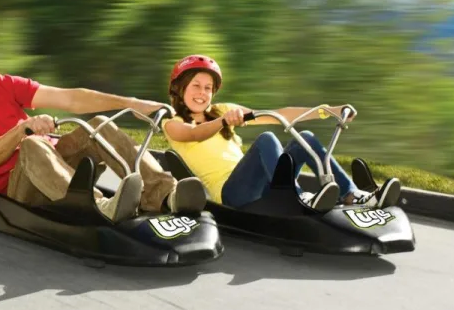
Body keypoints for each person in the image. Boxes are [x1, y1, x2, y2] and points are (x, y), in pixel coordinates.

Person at [0, 26, 208, 222]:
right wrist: (23, 129)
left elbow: (71, 99)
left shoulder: (0, 85)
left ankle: (165, 194)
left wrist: (132, 103)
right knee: (31, 144)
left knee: (98, 125)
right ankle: (102, 206)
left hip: (56, 159)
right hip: (16, 187)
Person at [160, 54, 401, 211]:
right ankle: (298, 198)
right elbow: (193, 134)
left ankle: (352, 194)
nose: (202, 93)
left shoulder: (223, 110)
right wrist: (223, 122)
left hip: (264, 185)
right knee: (266, 140)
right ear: (180, 88)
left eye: (208, 88)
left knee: (304, 137)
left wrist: (328, 110)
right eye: (196, 86)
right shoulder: (172, 122)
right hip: (231, 194)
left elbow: (279, 113)